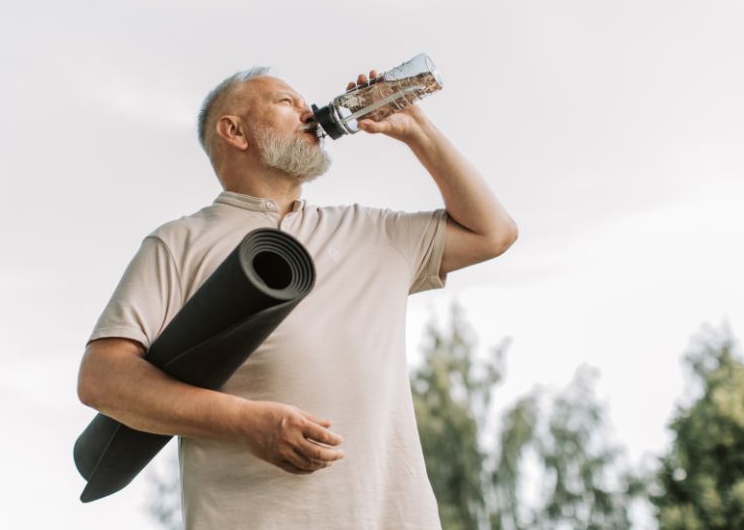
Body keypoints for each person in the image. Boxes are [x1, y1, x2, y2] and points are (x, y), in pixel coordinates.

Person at [76, 65, 518, 529]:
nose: (308, 110)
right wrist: (246, 422)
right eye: (286, 102)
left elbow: (493, 232)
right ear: (234, 131)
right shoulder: (179, 243)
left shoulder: (373, 230)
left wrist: (418, 131)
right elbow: (102, 379)